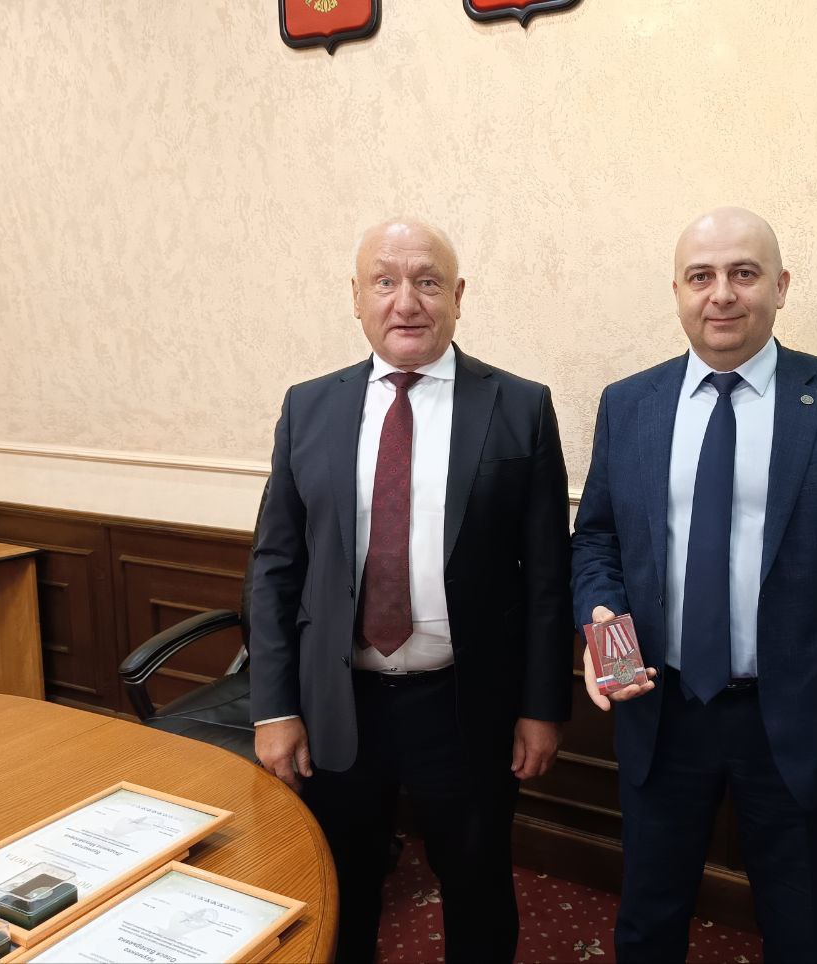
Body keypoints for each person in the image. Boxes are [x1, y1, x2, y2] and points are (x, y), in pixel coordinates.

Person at [570, 207, 817, 963]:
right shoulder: (628, 404)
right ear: (677, 291)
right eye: (701, 276)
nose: (722, 294)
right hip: (661, 712)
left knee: (799, 933)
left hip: (793, 721)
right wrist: (604, 624)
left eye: (744, 273)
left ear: (781, 286)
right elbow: (598, 538)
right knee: (646, 924)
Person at [250, 219, 572, 963]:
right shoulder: (308, 407)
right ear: (356, 297)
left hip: (464, 702)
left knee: (478, 886)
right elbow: (274, 567)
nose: (406, 302)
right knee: (342, 887)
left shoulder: (520, 406)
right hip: (338, 701)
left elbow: (547, 577)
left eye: (427, 282)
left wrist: (541, 708)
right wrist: (275, 707)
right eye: (385, 281)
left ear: (457, 296)